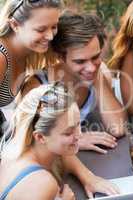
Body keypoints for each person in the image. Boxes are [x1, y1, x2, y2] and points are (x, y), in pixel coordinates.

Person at [22, 11, 127, 154]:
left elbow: (118, 128)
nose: (90, 67)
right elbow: (29, 140)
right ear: (60, 57)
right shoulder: (38, 86)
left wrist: (98, 78)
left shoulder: (99, 72)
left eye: (95, 57)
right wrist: (78, 138)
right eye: (80, 61)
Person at [0, 83, 119, 200]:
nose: (79, 135)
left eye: (78, 124)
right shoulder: (43, 183)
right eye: (68, 132)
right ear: (40, 137)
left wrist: (88, 177)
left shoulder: (18, 150)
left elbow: (63, 157)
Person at [0, 0, 63, 137]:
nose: (50, 36)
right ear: (15, 25)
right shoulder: (1, 57)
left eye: (54, 26)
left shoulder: (28, 51)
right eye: (41, 29)